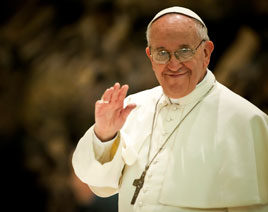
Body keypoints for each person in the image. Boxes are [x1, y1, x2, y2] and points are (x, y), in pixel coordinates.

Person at [72, 6, 268, 212]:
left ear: (206, 52)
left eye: (184, 51)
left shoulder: (245, 121)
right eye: (162, 53)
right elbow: (95, 180)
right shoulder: (133, 107)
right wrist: (105, 135)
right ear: (150, 56)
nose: (173, 64)